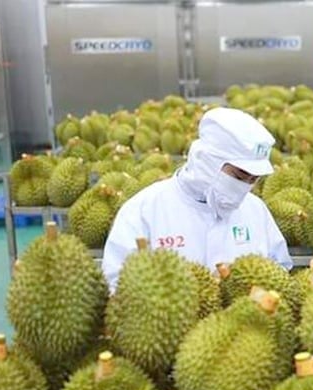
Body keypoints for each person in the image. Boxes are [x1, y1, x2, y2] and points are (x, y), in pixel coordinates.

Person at [102, 107, 292, 290]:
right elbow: (117, 285)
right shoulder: (143, 211)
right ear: (206, 161)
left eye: (253, 179)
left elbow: (280, 273)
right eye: (239, 176)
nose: (245, 186)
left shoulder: (256, 210)